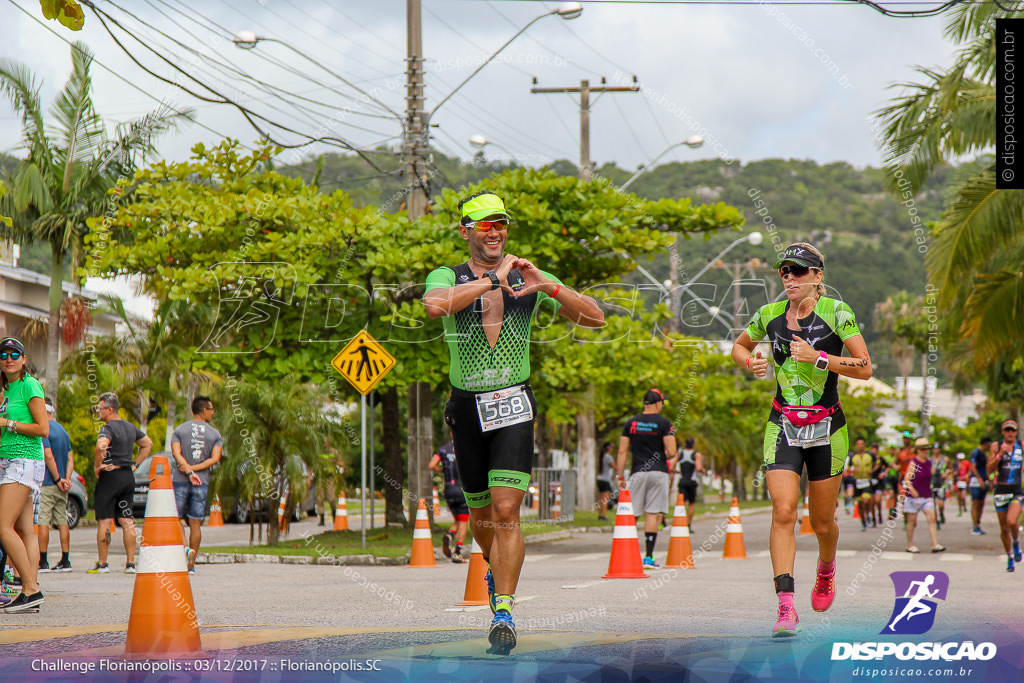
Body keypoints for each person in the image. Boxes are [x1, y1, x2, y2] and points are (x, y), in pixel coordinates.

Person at [422, 191, 604, 655]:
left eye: (500, 224)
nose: (494, 232)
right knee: (481, 517)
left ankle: (503, 607)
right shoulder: (449, 275)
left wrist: (548, 286)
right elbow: (436, 306)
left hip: (514, 405)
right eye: (484, 225)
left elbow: (596, 318)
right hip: (466, 407)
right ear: (465, 231)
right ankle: (493, 568)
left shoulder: (525, 276)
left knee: (506, 512)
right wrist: (491, 282)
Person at [730, 242, 872, 638]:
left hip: (828, 427)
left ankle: (825, 570)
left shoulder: (837, 313)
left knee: (822, 522)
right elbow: (739, 346)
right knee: (784, 511)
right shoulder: (769, 315)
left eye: (798, 270)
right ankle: (786, 606)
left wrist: (820, 358)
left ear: (817, 277)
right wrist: (750, 361)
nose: (789, 277)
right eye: (784, 271)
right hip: (784, 424)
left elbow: (864, 368)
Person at [0, 337, 49, 612]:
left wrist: (9, 423)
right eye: (4, 354)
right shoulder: (8, 389)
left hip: (23, 460)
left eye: (14, 354)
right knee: (24, 530)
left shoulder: (30, 385)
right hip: (10, 460)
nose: (9, 358)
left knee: (2, 527)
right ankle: (32, 591)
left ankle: (30, 589)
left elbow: (44, 429)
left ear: (24, 359)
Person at [89, 392, 152, 575]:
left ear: (109, 409)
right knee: (127, 519)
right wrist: (135, 464)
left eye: (100, 408)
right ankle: (131, 564)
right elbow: (147, 444)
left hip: (110, 476)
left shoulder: (107, 428)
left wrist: (98, 466)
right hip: (127, 477)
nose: (98, 412)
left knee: (105, 520)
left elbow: (101, 445)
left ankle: (103, 564)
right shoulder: (130, 427)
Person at [615, 389, 677, 569]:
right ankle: (648, 557)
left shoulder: (631, 423)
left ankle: (627, 556)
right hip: (659, 473)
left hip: (637, 473)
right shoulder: (665, 423)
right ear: (658, 403)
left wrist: (620, 476)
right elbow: (672, 452)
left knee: (632, 515)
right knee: (652, 513)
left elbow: (622, 451)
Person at [170, 396, 222, 575]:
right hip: (201, 482)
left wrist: (187, 469)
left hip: (180, 480)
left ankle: (186, 549)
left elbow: (176, 453)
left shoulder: (179, 430)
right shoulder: (215, 434)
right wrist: (195, 470)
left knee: (176, 518)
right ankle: (191, 566)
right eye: (211, 409)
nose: (213, 413)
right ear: (204, 410)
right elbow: (215, 459)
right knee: (195, 523)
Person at [37, 398, 73, 573]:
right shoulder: (63, 430)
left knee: (43, 519)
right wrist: (66, 479)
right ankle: (65, 560)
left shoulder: (44, 429)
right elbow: (70, 458)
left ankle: (43, 560)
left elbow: (48, 455)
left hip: (49, 483)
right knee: (62, 520)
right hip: (62, 485)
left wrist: (58, 479)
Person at [987, 420, 1022, 572]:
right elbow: (989, 468)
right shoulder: (996, 446)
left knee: (1012, 521)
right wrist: (1000, 455)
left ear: (1016, 432)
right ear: (1002, 432)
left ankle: (1016, 542)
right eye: (1007, 430)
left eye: (1012, 431)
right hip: (1001, 490)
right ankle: (1009, 556)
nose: (1010, 433)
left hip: (1016, 490)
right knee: (1004, 528)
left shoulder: (1021, 445)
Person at [428, 434, 469, 563]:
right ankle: (457, 553)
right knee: (463, 522)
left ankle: (450, 534)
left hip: (449, 490)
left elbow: (431, 465)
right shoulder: (466, 448)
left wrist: (443, 470)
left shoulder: (443, 449)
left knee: (457, 520)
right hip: (462, 490)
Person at [903, 438, 944, 554]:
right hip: (913, 497)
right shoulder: (914, 462)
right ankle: (910, 544)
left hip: (926, 496)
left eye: (927, 449)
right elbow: (907, 479)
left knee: (932, 518)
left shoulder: (929, 462)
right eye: (923, 449)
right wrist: (912, 489)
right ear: (918, 450)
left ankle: (934, 544)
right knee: (912, 521)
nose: (926, 451)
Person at [675, 437, 704, 529]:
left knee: (682, 503)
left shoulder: (680, 454)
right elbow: (698, 467)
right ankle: (688, 524)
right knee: (691, 504)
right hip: (692, 482)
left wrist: (677, 472)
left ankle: (681, 523)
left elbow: (671, 467)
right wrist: (703, 470)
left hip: (682, 481)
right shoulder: (696, 455)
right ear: (693, 444)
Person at [968, 436, 992, 535]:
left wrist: (989, 480)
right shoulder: (976, 452)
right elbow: (973, 467)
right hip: (976, 480)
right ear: (985, 443)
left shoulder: (983, 454)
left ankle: (978, 523)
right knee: (975, 503)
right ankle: (975, 526)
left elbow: (985, 469)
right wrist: (980, 479)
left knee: (981, 504)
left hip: (983, 480)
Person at [850, 437, 873, 531]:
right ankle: (863, 522)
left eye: (862, 443)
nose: (860, 446)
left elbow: (878, 464)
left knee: (866, 500)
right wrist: (852, 470)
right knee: (860, 504)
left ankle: (867, 515)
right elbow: (847, 468)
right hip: (857, 482)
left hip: (867, 481)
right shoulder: (852, 456)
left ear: (864, 445)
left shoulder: (870, 455)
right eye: (858, 444)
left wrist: (873, 470)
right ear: (856, 445)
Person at [930, 444, 949, 529]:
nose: (936, 450)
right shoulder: (929, 460)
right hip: (932, 484)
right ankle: (936, 521)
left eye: (937, 448)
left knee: (941, 504)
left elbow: (951, 469)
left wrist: (947, 473)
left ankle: (941, 513)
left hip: (941, 484)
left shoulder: (945, 459)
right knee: (933, 504)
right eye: (934, 448)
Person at [596, 442, 615, 522]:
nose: (612, 448)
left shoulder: (602, 456)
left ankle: (600, 515)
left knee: (601, 499)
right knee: (605, 500)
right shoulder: (608, 457)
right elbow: (615, 467)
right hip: (605, 480)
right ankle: (603, 516)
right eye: (611, 447)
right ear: (608, 448)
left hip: (600, 479)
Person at [869, 443, 887, 527]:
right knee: (872, 503)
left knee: (877, 500)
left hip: (879, 482)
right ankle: (873, 519)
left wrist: (883, 473)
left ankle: (879, 513)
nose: (874, 450)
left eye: (876, 448)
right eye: (873, 448)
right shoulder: (868, 458)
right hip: (870, 482)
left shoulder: (880, 459)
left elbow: (887, 466)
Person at [955, 453, 969, 517]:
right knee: (959, 497)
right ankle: (960, 510)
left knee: (963, 496)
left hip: (963, 482)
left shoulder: (966, 463)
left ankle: (964, 505)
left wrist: (967, 476)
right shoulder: (955, 464)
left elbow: (970, 471)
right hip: (957, 482)